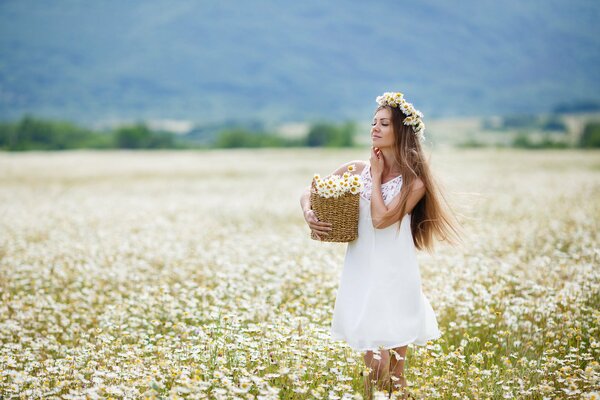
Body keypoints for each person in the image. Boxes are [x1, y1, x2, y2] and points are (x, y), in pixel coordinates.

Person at [299, 92, 462, 399]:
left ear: (400, 131)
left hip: (395, 277)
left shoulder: (415, 181)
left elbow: (380, 219)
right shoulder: (356, 169)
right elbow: (309, 192)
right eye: (374, 122)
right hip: (361, 274)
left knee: (394, 374)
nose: (374, 127)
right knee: (376, 368)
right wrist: (309, 212)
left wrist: (374, 179)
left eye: (384, 123)